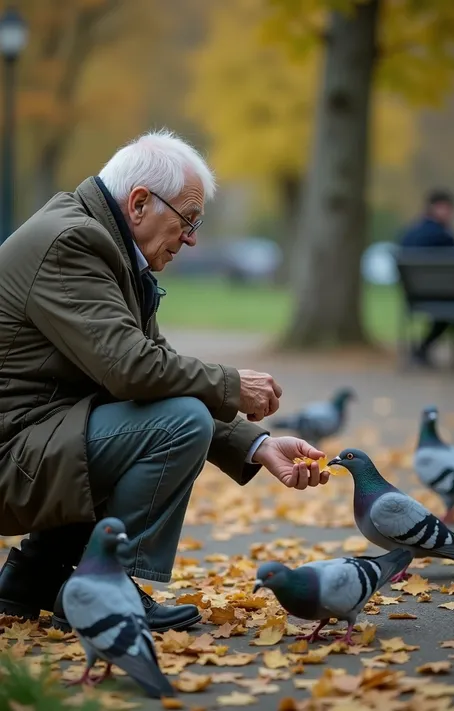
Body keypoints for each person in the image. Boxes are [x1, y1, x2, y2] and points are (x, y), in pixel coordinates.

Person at [0, 130, 329, 632]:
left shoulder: (106, 245)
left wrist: (255, 444)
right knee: (178, 423)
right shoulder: (73, 242)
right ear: (138, 203)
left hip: (33, 444)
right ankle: (101, 588)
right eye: (188, 220)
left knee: (172, 415)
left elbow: (154, 375)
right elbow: (131, 370)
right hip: (12, 456)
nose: (192, 238)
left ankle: (32, 578)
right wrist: (231, 384)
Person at [399, 189, 454, 365]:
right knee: (451, 311)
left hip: (414, 295)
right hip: (444, 295)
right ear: (436, 208)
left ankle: (421, 350)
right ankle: (423, 349)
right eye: (447, 208)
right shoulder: (445, 236)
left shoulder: (408, 233)